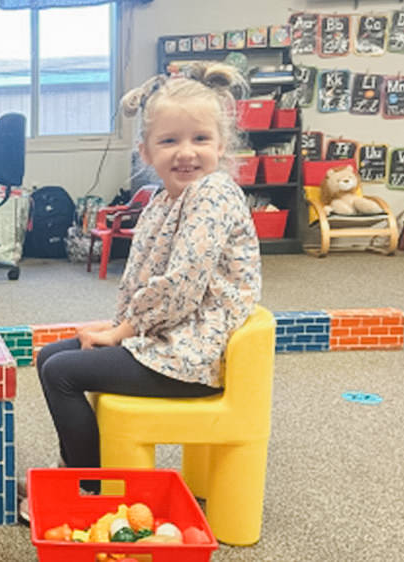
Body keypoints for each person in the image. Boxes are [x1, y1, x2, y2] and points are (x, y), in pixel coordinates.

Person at [35, 62, 262, 493]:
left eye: (200, 139)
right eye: (169, 141)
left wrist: (122, 331)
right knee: (50, 356)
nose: (186, 152)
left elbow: (180, 286)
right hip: (172, 340)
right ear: (146, 151)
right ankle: (78, 468)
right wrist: (119, 329)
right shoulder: (164, 200)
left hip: (194, 358)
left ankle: (89, 486)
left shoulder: (212, 194)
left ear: (222, 144)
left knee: (62, 372)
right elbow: (143, 276)